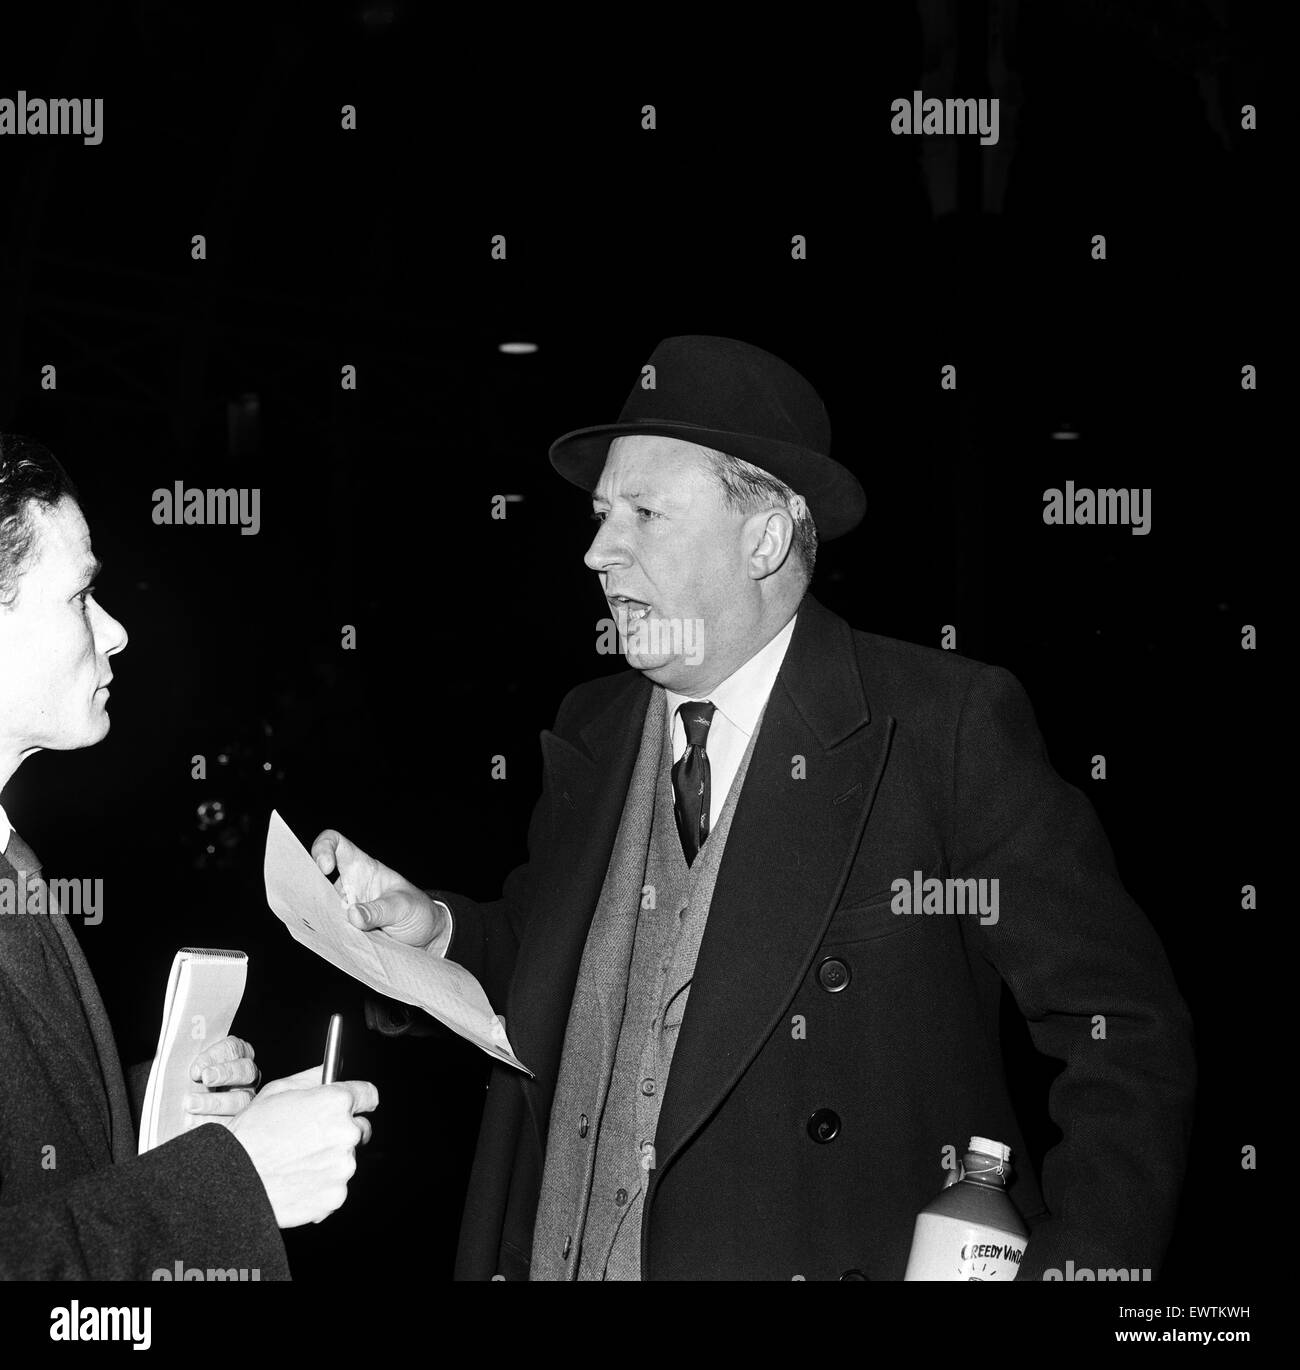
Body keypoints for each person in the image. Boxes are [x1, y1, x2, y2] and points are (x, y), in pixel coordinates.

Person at [315, 334, 1195, 1281]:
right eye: (602, 513)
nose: (596, 550)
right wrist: (437, 930)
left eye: (644, 514)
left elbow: (1124, 1030)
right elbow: (560, 968)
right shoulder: (594, 726)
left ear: (765, 537)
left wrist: (1080, 1272)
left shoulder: (940, 728)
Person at [0, 433, 378, 1280]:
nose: (118, 630)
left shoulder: (11, 857)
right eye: (80, 597)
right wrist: (231, 1184)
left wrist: (151, 1112)